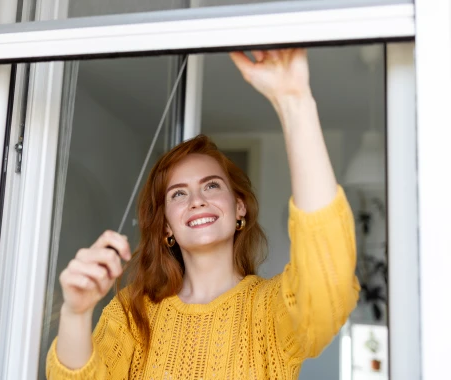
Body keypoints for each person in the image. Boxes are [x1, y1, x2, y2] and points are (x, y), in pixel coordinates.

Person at [46, 49, 360, 379]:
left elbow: (329, 282)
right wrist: (76, 313)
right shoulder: (132, 312)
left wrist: (295, 103)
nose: (196, 200)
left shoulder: (271, 310)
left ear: (239, 208)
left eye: (211, 186)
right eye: (178, 193)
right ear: (166, 226)